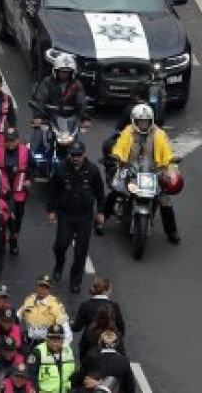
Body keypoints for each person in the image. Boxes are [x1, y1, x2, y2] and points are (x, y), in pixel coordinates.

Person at [107, 103, 181, 243]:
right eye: (140, 121)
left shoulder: (159, 134)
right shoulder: (127, 131)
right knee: (116, 191)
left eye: (146, 121)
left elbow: (167, 151)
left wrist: (170, 161)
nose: (143, 124)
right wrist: (118, 157)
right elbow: (119, 147)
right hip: (130, 170)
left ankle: (172, 232)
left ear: (151, 121)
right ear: (134, 120)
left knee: (164, 200)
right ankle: (101, 217)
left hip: (152, 172)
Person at [48, 140, 104, 294]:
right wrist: (51, 210)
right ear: (69, 155)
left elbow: (100, 192)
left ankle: (75, 281)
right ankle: (59, 264)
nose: (76, 158)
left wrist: (100, 212)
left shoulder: (92, 170)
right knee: (60, 245)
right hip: (65, 215)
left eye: (79, 155)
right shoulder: (60, 168)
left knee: (80, 252)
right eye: (73, 155)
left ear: (84, 154)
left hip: (84, 216)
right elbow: (52, 191)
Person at [32, 54, 88, 155]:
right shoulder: (47, 82)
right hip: (49, 119)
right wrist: (38, 116)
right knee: (37, 142)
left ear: (72, 72)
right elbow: (40, 99)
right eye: (62, 71)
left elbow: (81, 102)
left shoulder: (77, 85)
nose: (64, 74)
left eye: (67, 72)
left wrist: (85, 118)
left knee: (80, 145)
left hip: (69, 122)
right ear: (56, 71)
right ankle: (31, 164)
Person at [0, 128, 32, 250]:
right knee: (3, 216)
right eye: (7, 140)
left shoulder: (26, 151)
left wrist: (29, 180)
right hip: (3, 192)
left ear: (18, 140)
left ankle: (13, 240)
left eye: (12, 140)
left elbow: (34, 168)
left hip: (19, 191)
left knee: (17, 218)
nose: (9, 143)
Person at [17, 276, 69, 346]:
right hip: (28, 340)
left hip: (44, 343)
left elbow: (66, 329)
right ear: (36, 286)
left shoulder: (56, 305)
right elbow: (18, 315)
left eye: (46, 287)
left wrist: (62, 348)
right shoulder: (29, 300)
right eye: (41, 286)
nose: (42, 289)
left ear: (49, 289)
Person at [30, 323, 75, 393]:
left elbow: (72, 374)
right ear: (47, 338)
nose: (55, 342)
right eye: (52, 339)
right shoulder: (38, 351)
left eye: (58, 339)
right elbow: (31, 376)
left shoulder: (68, 351)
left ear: (63, 340)